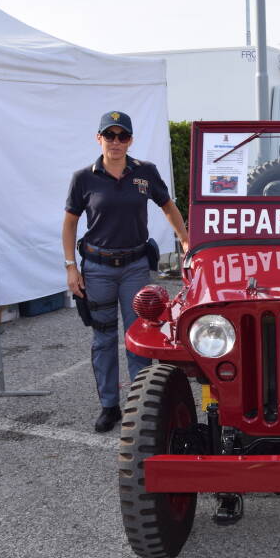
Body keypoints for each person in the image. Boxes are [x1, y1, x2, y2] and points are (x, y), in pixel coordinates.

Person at [63, 111, 189, 432]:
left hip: (134, 268)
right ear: (99, 138)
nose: (116, 142)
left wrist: (185, 240)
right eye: (110, 135)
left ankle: (139, 407)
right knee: (103, 339)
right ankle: (109, 406)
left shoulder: (145, 173)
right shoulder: (84, 178)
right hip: (98, 270)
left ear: (130, 140)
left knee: (139, 338)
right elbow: (70, 223)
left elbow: (168, 206)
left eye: (122, 136)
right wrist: (70, 267)